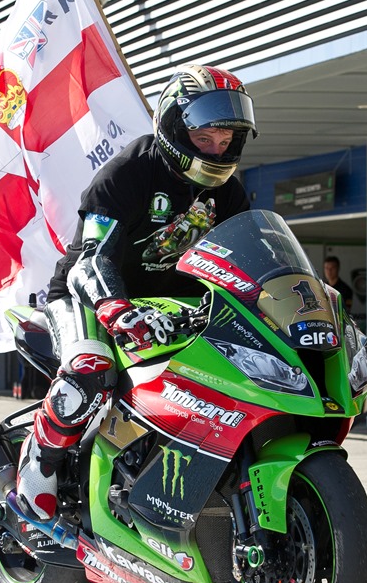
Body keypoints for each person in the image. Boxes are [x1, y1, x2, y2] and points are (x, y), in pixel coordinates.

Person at [14, 64, 256, 520]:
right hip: (90, 295)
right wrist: (117, 310)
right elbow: (92, 257)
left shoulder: (229, 195)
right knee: (90, 368)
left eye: (225, 140)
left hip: (175, 308)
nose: (216, 149)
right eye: (204, 138)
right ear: (175, 129)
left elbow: (249, 260)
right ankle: (37, 469)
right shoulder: (131, 170)